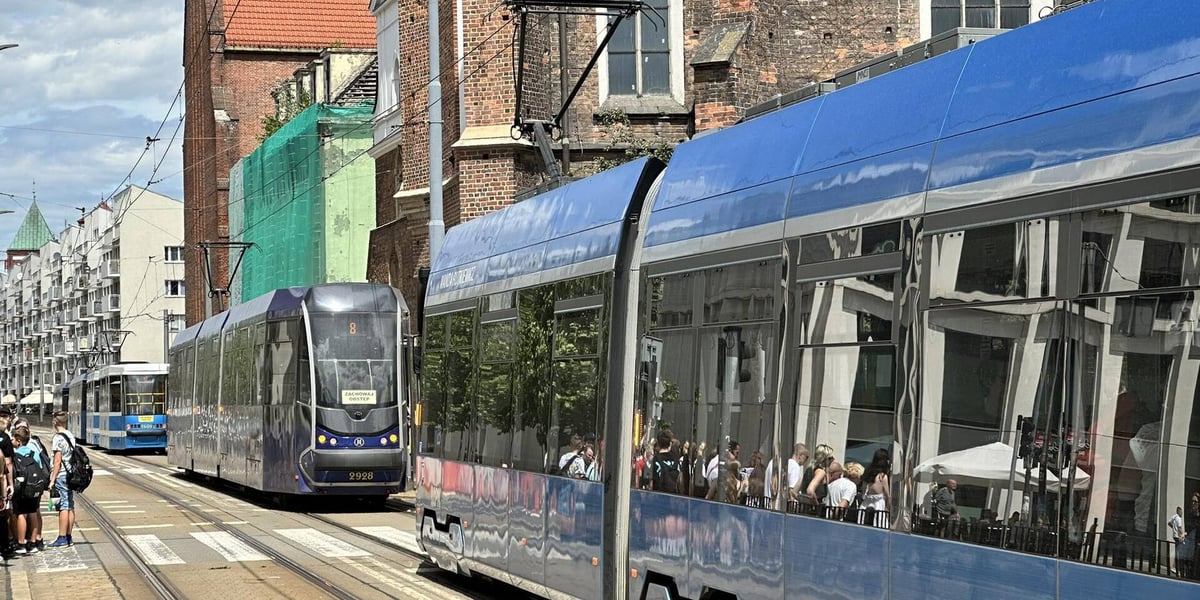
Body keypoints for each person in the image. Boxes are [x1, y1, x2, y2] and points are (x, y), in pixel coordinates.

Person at [10, 426, 44, 554]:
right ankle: (33, 543)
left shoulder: (15, 455)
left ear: (18, 441)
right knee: (33, 512)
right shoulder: (33, 453)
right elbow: (40, 468)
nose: (12, 441)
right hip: (34, 487)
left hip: (22, 489)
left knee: (21, 514)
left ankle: (21, 543)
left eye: (13, 439)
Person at [48, 411, 76, 548]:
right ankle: (69, 536)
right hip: (70, 474)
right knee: (70, 505)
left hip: (61, 475)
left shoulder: (58, 438)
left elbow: (57, 461)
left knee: (63, 506)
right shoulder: (70, 435)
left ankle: (62, 537)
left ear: (55, 422)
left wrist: (52, 480)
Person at [0, 409, 14, 558]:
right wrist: (10, 485)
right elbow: (8, 463)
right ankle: (4, 547)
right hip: (1, 484)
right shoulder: (4, 439)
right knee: (2, 516)